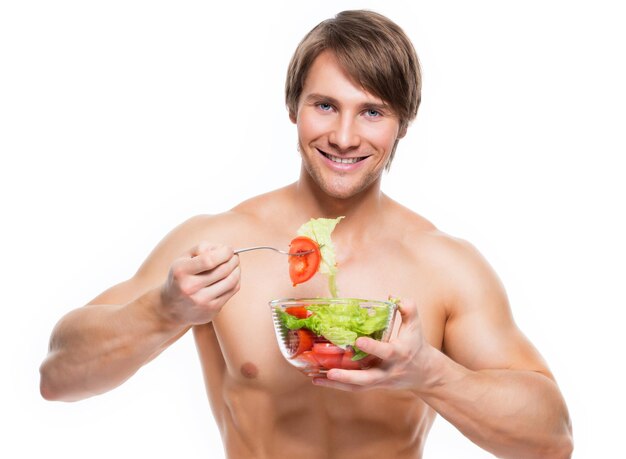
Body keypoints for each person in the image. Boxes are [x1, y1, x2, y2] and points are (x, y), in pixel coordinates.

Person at [39, 10, 573, 459]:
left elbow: (553, 438)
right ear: (293, 105)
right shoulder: (222, 243)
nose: (343, 137)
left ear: (402, 123)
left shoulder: (444, 267)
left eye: (371, 111)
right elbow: (58, 377)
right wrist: (164, 311)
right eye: (325, 106)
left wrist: (430, 372)